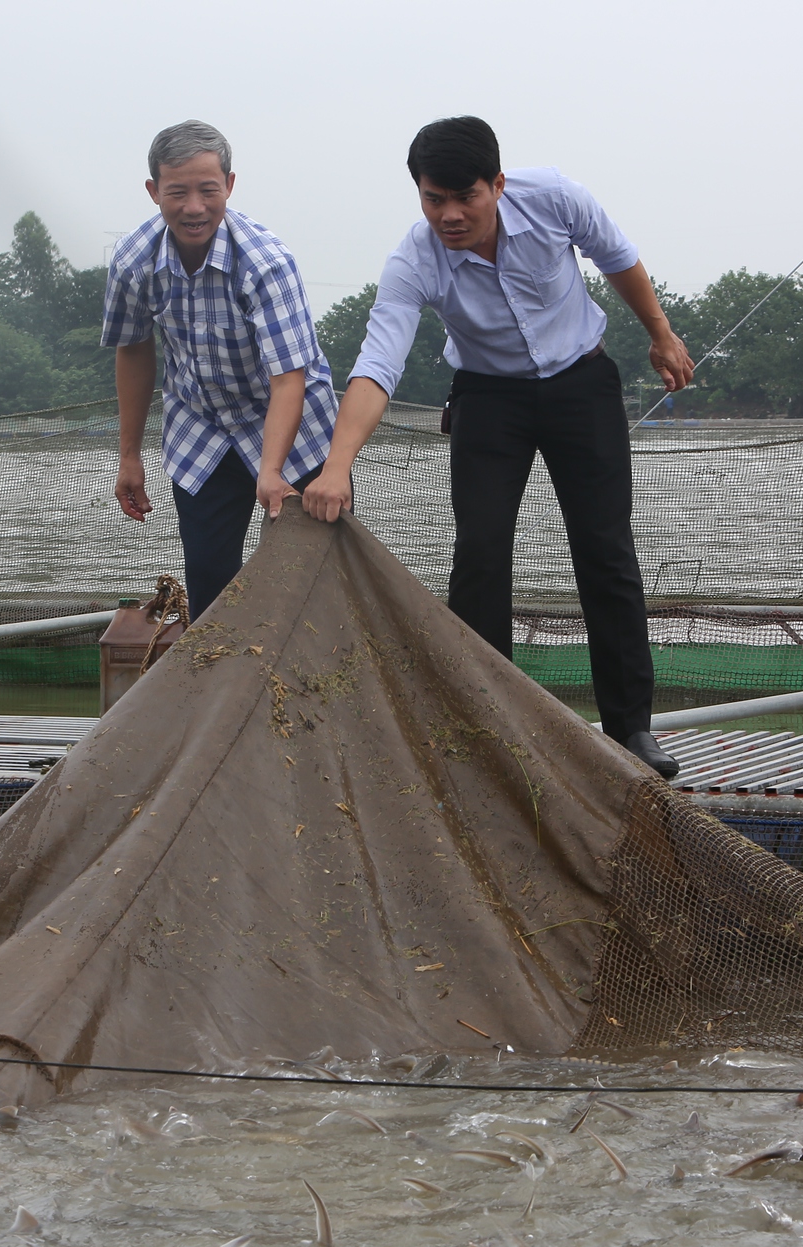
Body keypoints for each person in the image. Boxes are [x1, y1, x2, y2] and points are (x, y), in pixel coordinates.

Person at [303, 116, 694, 779]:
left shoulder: (553, 198)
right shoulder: (414, 259)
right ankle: (487, 730)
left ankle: (631, 728)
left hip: (581, 383)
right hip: (489, 397)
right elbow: (378, 362)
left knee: (605, 549)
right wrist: (337, 465)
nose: (450, 215)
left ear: (498, 184)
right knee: (480, 552)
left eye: (466, 197)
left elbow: (617, 255)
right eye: (434, 200)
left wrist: (660, 332)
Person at [102, 119, 336, 614]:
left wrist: (271, 471)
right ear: (153, 192)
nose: (194, 208)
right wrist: (129, 455)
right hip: (201, 426)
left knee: (316, 584)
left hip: (290, 428)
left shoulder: (265, 263)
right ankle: (221, 688)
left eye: (208, 190)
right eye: (177, 192)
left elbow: (288, 377)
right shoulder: (134, 262)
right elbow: (133, 348)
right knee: (210, 585)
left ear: (229, 185)